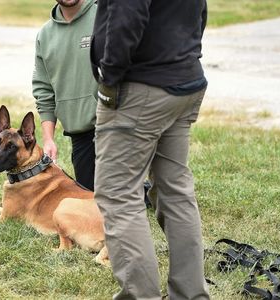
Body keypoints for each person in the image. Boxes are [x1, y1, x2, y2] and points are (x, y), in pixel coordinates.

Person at [90, 0, 210, 299]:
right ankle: (190, 294)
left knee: (118, 194)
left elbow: (127, 15)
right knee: (176, 191)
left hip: (141, 88)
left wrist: (109, 77)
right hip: (184, 80)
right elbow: (200, 12)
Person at [32, 0, 98, 191]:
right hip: (80, 134)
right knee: (89, 195)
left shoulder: (105, 17)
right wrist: (48, 139)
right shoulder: (45, 35)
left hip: (115, 126)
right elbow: (43, 90)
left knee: (118, 193)